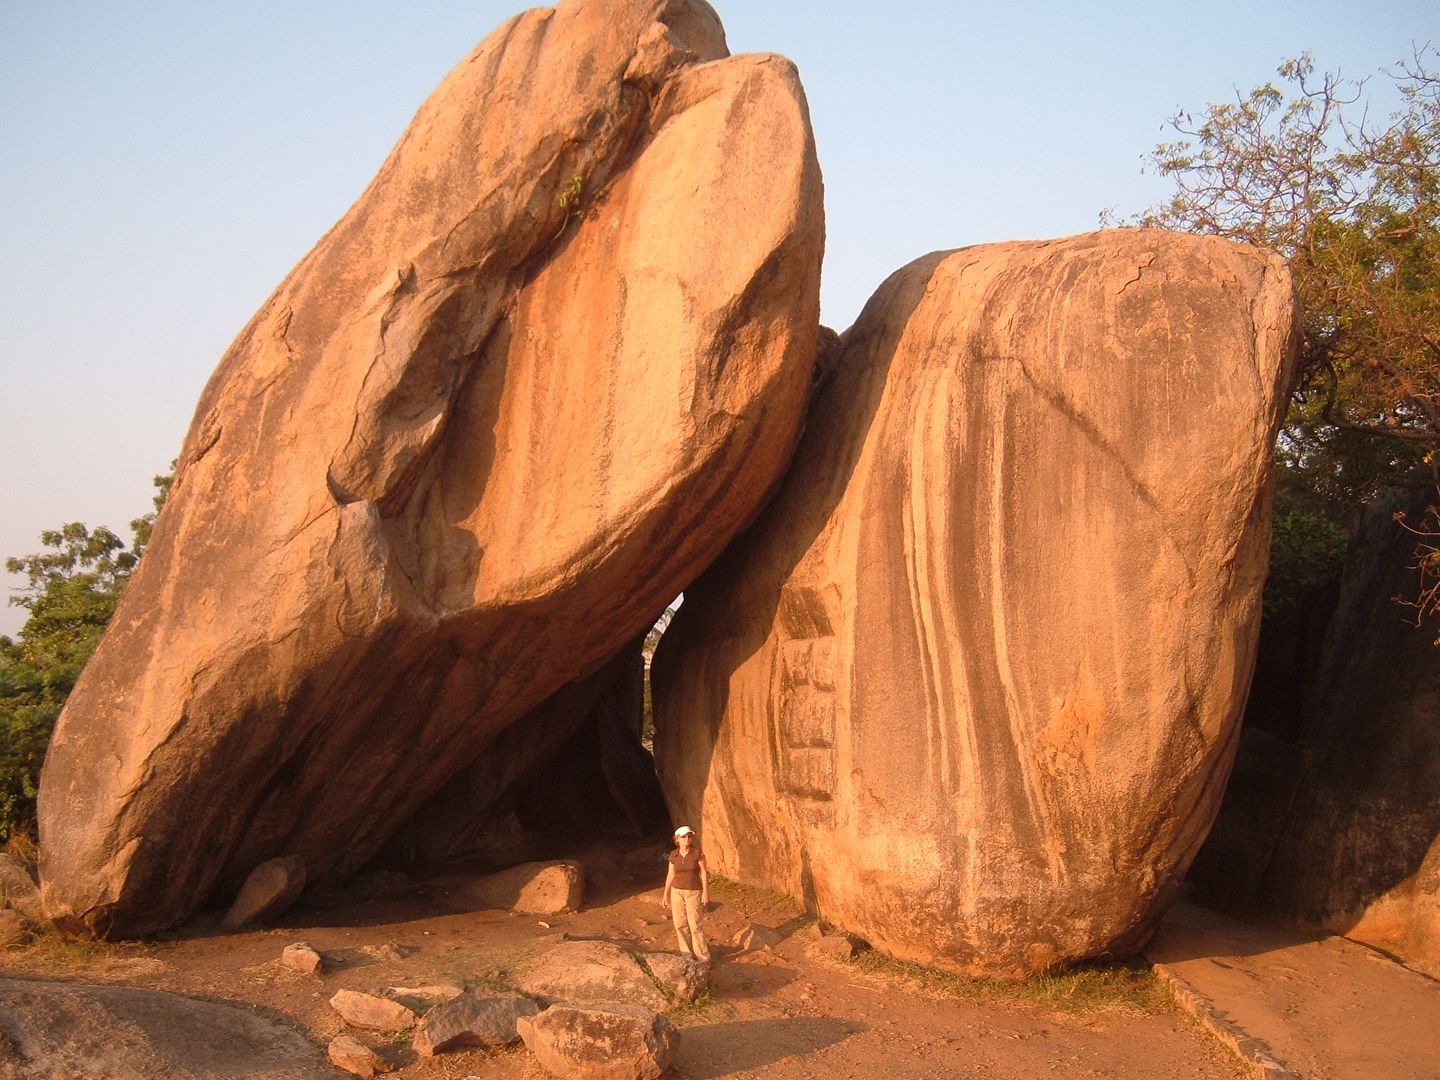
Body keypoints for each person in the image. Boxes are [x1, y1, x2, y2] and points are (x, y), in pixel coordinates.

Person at [661, 824, 711, 964]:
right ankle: (687, 956)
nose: (687, 839)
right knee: (680, 924)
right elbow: (670, 874)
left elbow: (703, 872)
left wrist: (705, 891)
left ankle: (703, 958)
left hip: (693, 892)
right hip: (676, 892)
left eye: (689, 836)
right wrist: (666, 894)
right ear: (677, 839)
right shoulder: (673, 855)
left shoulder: (697, 853)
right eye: (684, 836)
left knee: (695, 925)